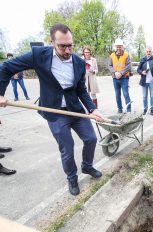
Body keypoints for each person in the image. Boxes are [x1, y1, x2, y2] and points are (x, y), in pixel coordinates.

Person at [0, 23, 104, 196]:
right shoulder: (39, 55)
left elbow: (81, 90)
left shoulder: (78, 62)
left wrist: (92, 109)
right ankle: (72, 178)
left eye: (70, 45)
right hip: (55, 112)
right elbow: (6, 68)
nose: (67, 50)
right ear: (52, 42)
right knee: (67, 148)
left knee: (91, 139)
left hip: (75, 110)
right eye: (62, 46)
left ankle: (87, 166)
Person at [108, 38, 132, 113]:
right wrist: (115, 72)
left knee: (126, 95)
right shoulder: (111, 55)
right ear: (115, 47)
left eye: (120, 46)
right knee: (117, 95)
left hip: (124, 78)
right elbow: (109, 65)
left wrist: (121, 73)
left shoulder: (126, 55)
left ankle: (129, 111)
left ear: (122, 46)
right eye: (117, 46)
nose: (118, 48)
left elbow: (128, 66)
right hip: (115, 78)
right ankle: (120, 109)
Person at [137, 46, 153, 115]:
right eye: (147, 51)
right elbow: (138, 69)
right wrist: (142, 72)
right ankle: (145, 109)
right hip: (144, 81)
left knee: (152, 96)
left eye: (149, 51)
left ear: (151, 52)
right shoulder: (142, 59)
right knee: (144, 96)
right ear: (146, 52)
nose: (148, 53)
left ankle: (152, 109)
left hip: (152, 81)